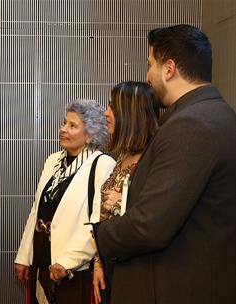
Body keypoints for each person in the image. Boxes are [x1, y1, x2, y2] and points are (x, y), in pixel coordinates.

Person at [93, 24, 236, 304]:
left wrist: (100, 233)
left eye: (150, 65)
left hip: (176, 284)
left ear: (168, 69)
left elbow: (149, 226)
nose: (148, 77)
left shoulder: (190, 125)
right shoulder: (218, 114)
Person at [15, 100, 116, 304]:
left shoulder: (102, 164)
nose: (63, 129)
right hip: (41, 257)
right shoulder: (53, 160)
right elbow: (37, 211)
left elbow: (98, 223)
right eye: (64, 123)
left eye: (72, 126)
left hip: (74, 269)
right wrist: (24, 256)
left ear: (91, 134)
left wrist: (67, 262)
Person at [92, 82, 159, 304]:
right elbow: (103, 215)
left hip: (136, 271)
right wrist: (99, 264)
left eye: (112, 106)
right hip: (111, 266)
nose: (106, 112)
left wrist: (123, 203)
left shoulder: (152, 158)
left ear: (130, 112)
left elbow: (155, 217)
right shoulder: (122, 156)